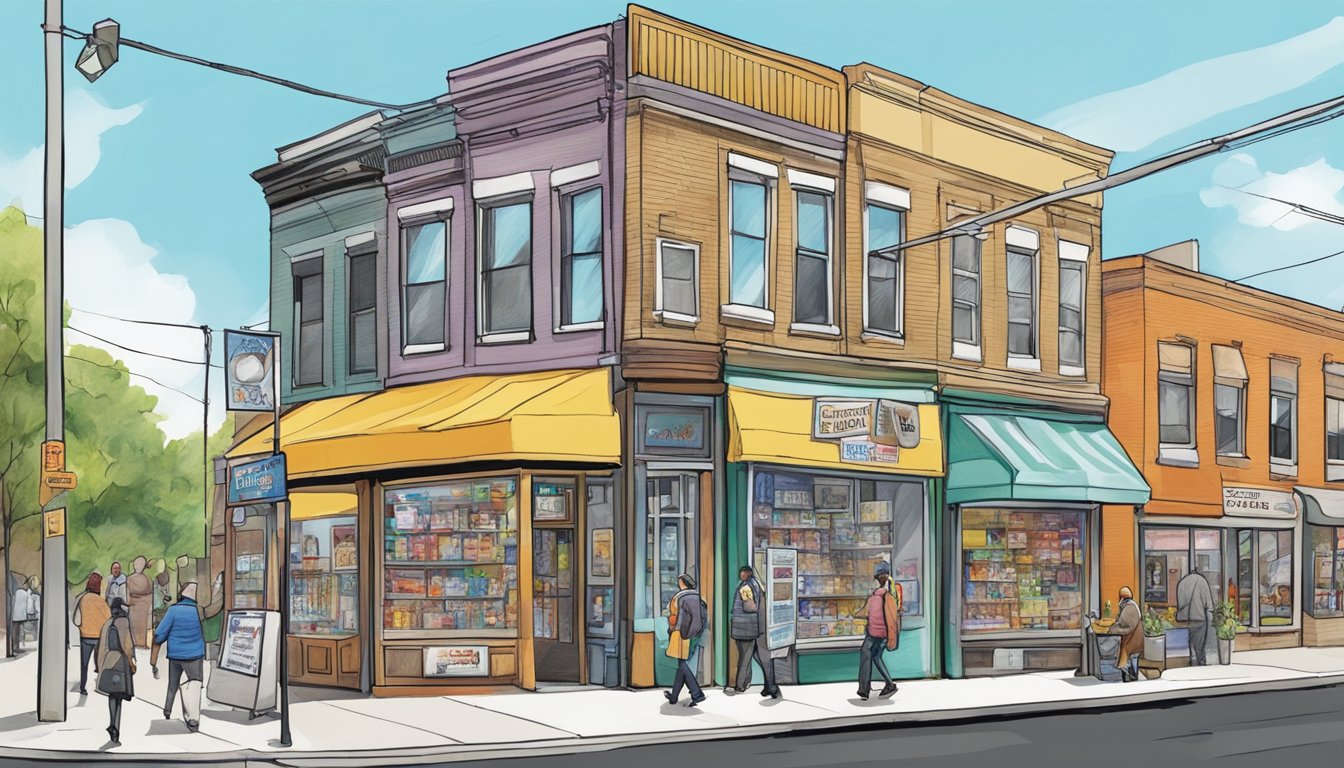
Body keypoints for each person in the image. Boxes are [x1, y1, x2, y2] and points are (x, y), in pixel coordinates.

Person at [152, 581, 206, 731]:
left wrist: (158, 641)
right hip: (195, 655)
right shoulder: (198, 610)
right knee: (194, 684)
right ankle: (192, 717)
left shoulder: (173, 610)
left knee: (172, 685)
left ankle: (167, 710)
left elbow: (160, 634)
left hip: (175, 655)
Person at [730, 565, 779, 698]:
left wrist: (738, 612)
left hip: (746, 628)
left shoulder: (746, 587)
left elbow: (751, 607)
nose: (741, 575)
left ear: (748, 573)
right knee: (761, 658)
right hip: (757, 627)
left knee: (744, 659)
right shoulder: (756, 584)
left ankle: (740, 686)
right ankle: (770, 687)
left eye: (743, 573)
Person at [855, 562, 902, 700]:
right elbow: (866, 611)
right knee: (875, 657)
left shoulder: (886, 596)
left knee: (866, 654)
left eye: (880, 577)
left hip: (877, 635)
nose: (879, 579)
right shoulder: (876, 595)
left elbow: (892, 619)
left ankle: (864, 690)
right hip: (877, 634)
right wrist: (854, 614)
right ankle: (889, 684)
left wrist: (891, 638)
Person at [96, 598, 136, 745]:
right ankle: (114, 728)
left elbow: (101, 647)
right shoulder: (123, 622)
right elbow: (127, 646)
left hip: (108, 660)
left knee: (113, 696)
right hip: (120, 661)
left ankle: (113, 725)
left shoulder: (107, 623)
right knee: (119, 696)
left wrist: (101, 668)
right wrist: (132, 663)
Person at [664, 574, 707, 708]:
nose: (679, 584)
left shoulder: (680, 597)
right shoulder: (698, 597)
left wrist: (672, 630)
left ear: (683, 583)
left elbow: (677, 617)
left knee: (682, 664)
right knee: (681, 665)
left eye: (679, 582)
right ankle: (674, 697)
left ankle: (697, 693)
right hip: (695, 633)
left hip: (682, 634)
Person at [73, 572, 111, 695]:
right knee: (100, 662)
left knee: (84, 664)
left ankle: (83, 688)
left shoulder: (83, 599)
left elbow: (76, 619)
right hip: (99, 637)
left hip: (85, 636)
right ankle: (101, 686)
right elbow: (108, 619)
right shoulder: (102, 602)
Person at [1176, 568, 1215, 666]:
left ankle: (1188, 663)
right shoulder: (1202, 581)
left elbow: (1179, 603)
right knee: (1199, 647)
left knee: (1186, 646)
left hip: (1183, 620)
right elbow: (1208, 604)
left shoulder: (1182, 582)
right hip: (1199, 619)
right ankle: (1201, 665)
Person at [1107, 586, 1144, 682]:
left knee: (1128, 656)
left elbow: (1124, 624)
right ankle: (1132, 675)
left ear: (1122, 597)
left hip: (1132, 638)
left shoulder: (1128, 607)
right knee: (1133, 659)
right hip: (1136, 637)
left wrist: (1113, 629)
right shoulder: (1132, 605)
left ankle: (1131, 676)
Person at [127, 556, 153, 649]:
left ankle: (135, 642)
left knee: (135, 625)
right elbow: (150, 593)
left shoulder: (129, 579)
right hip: (144, 606)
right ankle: (141, 642)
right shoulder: (148, 579)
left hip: (134, 606)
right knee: (142, 626)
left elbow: (126, 593)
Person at [10, 578, 31, 655]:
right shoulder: (26, 593)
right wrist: (28, 613)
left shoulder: (15, 592)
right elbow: (29, 606)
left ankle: (14, 647)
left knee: (14, 631)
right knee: (18, 631)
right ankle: (16, 647)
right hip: (21, 616)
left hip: (13, 615)